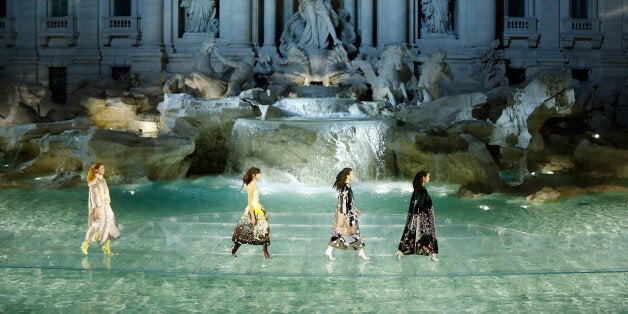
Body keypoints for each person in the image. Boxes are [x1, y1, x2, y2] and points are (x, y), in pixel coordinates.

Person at [325, 168, 369, 260]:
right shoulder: (346, 187)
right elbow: (343, 203)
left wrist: (355, 209)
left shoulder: (345, 186)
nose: (353, 176)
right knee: (354, 233)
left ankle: (329, 250)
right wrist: (341, 218)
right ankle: (361, 252)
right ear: (347, 176)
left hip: (346, 213)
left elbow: (347, 202)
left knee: (341, 232)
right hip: (346, 215)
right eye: (352, 174)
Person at [396, 170, 439, 262]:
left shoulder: (417, 189)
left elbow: (415, 203)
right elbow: (420, 204)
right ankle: (431, 255)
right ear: (423, 178)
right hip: (423, 218)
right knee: (427, 235)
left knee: (412, 234)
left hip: (417, 217)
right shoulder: (422, 190)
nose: (428, 179)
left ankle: (401, 251)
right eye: (427, 177)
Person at [231, 167, 272, 259]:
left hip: (259, 208)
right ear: (254, 175)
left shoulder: (255, 183)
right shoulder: (250, 185)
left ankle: (265, 251)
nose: (260, 175)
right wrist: (253, 217)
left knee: (264, 229)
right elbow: (250, 201)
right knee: (245, 230)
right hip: (253, 209)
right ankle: (234, 248)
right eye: (258, 173)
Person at [81, 163, 121, 256]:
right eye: (102, 168)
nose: (104, 170)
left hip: (106, 205)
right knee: (97, 226)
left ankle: (106, 247)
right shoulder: (94, 182)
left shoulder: (102, 180)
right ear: (96, 170)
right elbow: (93, 197)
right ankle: (86, 244)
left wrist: (107, 202)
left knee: (110, 224)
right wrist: (95, 209)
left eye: (103, 168)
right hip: (98, 207)